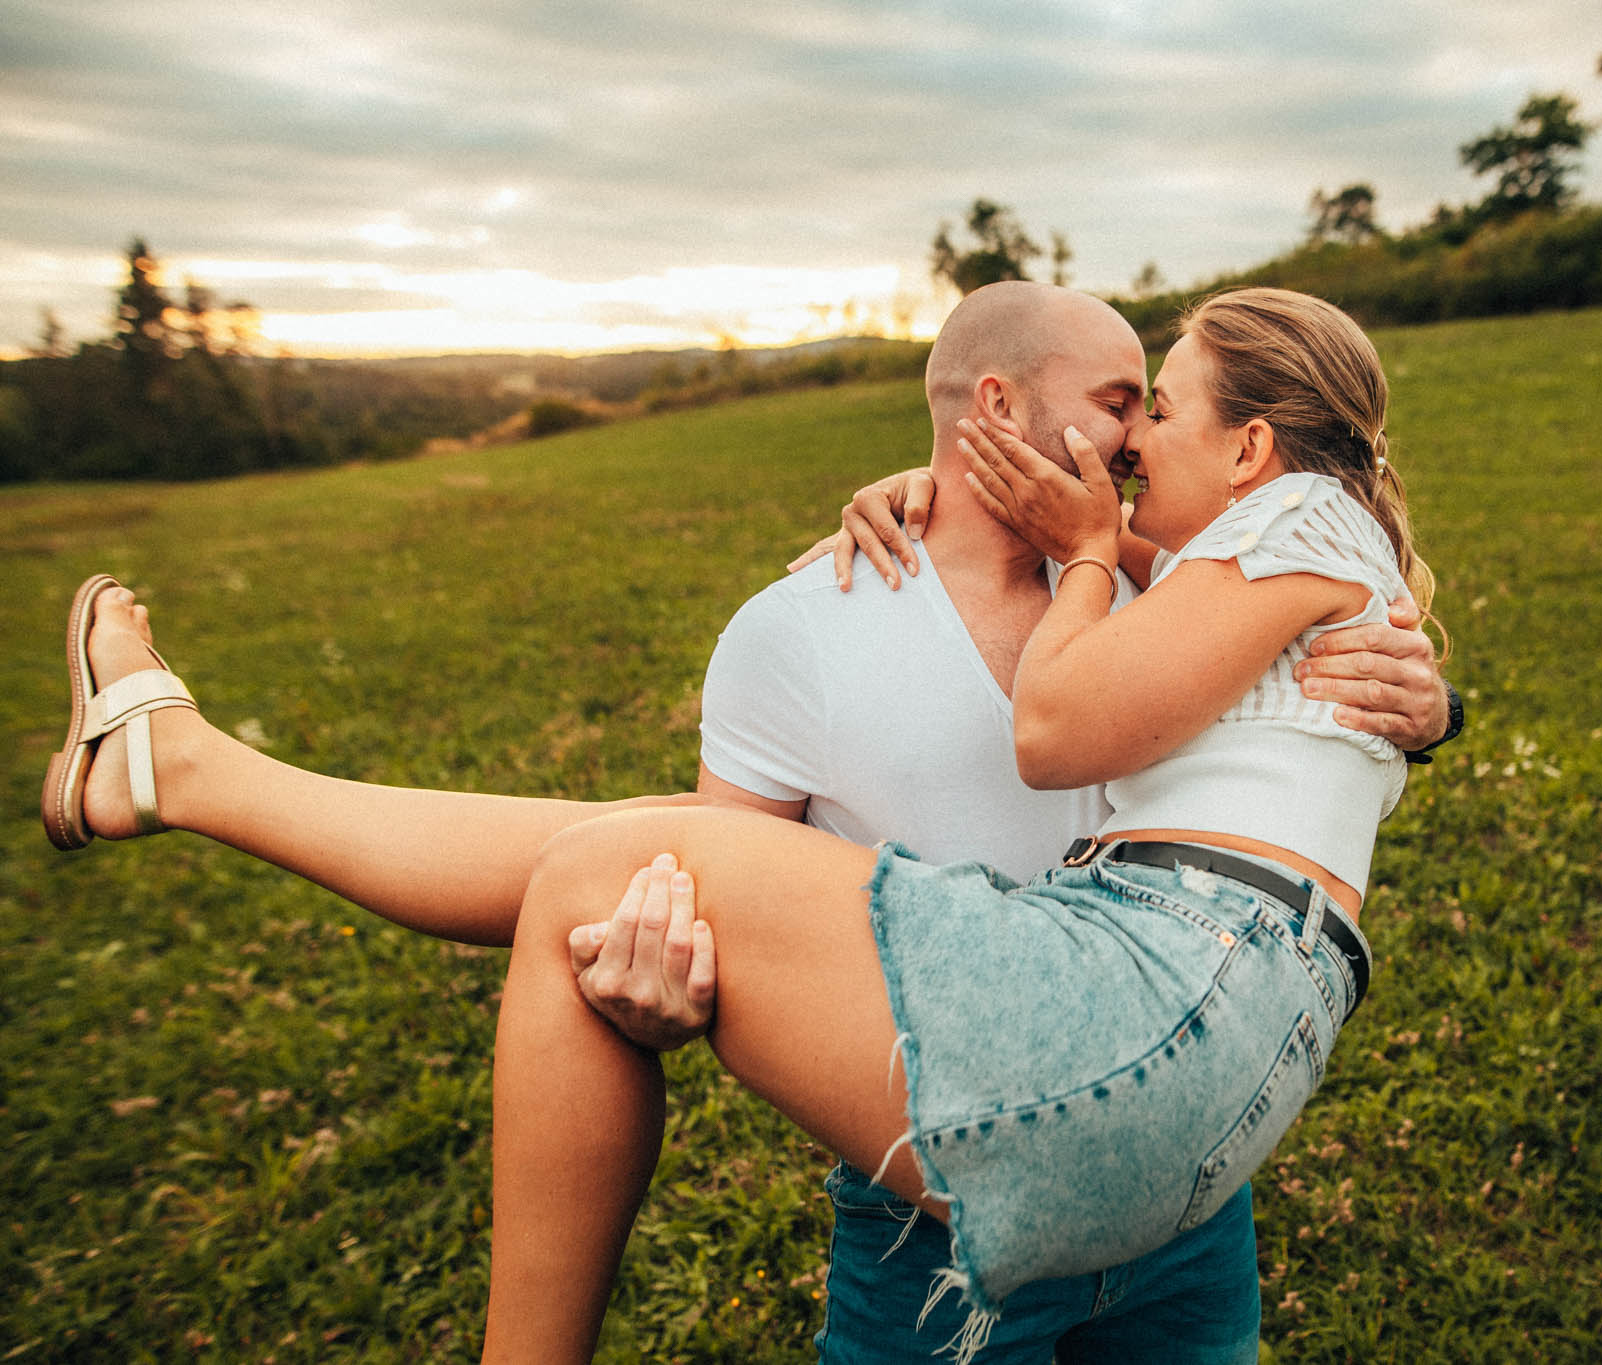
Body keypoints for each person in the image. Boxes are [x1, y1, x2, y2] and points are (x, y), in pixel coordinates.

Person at [42, 284, 1448, 1363]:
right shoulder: (806, 627)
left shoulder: (1151, 573)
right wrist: (654, 993)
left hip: (1170, 1120)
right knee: (616, 860)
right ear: (999, 412)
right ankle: (184, 771)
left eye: (1158, 404)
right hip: (950, 1175)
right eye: (1120, 399)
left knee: (610, 847)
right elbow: (699, 892)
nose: (1139, 440)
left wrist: (1432, 702)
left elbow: (1296, 682)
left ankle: (186, 769)